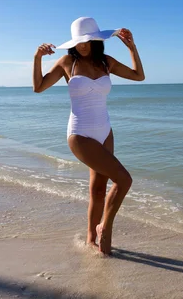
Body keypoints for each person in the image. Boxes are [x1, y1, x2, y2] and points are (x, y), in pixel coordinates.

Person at [33, 17, 145, 255]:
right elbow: (39, 87)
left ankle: (91, 239)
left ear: (96, 40)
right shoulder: (67, 62)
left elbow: (138, 76)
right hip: (80, 133)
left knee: (97, 189)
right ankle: (106, 227)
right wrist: (37, 58)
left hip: (105, 131)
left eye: (88, 41)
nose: (83, 46)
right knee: (124, 180)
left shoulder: (107, 62)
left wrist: (132, 48)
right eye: (79, 42)